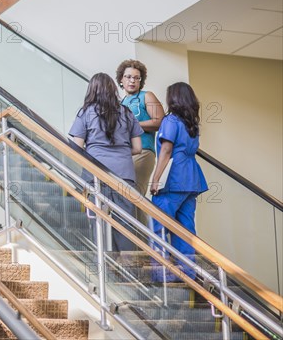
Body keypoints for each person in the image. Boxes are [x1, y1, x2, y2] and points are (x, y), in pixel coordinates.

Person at [69, 73, 144, 252]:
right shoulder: (126, 112)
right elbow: (138, 148)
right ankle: (128, 268)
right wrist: (121, 151)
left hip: (96, 174)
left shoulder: (86, 112)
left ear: (92, 90)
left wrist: (95, 149)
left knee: (98, 220)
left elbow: (76, 147)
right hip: (124, 175)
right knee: (125, 225)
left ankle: (104, 266)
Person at [149, 82, 208, 280]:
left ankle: (160, 274)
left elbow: (166, 150)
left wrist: (155, 179)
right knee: (186, 228)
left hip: (173, 178)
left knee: (158, 225)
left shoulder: (171, 121)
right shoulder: (191, 123)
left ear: (172, 99)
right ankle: (188, 272)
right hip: (191, 179)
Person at [116, 60, 165, 211]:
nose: (132, 80)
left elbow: (160, 121)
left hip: (143, 151)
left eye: (136, 78)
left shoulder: (146, 96)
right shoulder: (120, 103)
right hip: (125, 153)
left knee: (134, 196)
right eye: (128, 76)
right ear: (121, 80)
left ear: (141, 81)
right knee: (125, 198)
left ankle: (139, 234)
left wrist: (132, 124)